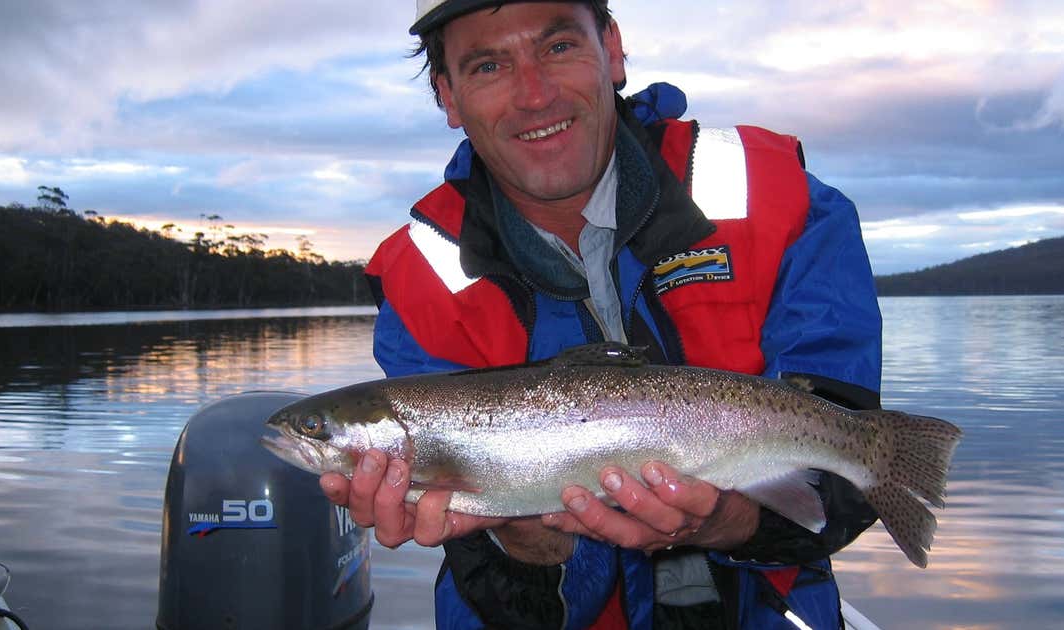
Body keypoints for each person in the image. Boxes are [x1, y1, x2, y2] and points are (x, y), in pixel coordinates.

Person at [321, 1, 883, 628]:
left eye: (558, 47)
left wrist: (732, 522)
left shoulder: (782, 198)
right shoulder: (419, 278)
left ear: (612, 50)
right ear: (447, 96)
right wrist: (527, 541)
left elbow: (850, 473)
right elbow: (509, 605)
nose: (534, 96)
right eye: (488, 65)